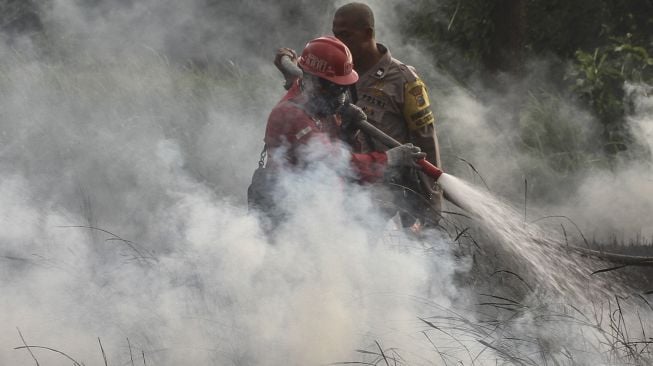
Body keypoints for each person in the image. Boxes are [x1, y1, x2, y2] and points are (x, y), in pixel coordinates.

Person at [275, 2, 443, 230]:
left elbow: (426, 144)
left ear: (367, 34)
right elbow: (308, 98)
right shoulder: (331, 72)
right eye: (336, 35)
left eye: (345, 35)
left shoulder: (404, 80)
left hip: (385, 198)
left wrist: (431, 211)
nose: (339, 42)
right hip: (339, 191)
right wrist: (293, 72)